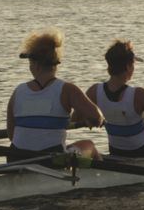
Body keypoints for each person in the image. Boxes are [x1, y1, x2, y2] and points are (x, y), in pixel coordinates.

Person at [7, 29, 104, 162]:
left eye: (29, 62)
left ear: (35, 64)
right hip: (51, 161)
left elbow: (11, 135)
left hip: (16, 159)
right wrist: (88, 120)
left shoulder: (18, 92)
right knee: (89, 145)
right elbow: (97, 117)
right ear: (55, 63)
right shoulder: (67, 89)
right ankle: (100, 179)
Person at [86, 39, 144, 157]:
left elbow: (75, 119)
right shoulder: (139, 95)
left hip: (117, 153)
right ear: (128, 67)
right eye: (133, 65)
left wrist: (90, 119)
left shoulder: (94, 91)